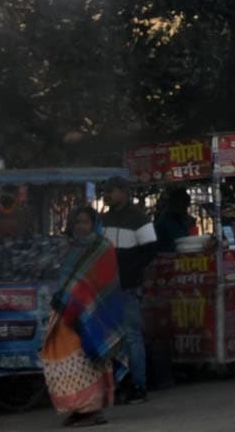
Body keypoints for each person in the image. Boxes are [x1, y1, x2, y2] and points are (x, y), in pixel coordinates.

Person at [41, 206, 128, 428]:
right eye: (77, 222)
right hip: (67, 314)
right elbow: (66, 280)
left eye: (85, 222)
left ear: (94, 223)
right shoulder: (71, 247)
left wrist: (82, 302)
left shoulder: (102, 247)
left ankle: (93, 410)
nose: (80, 226)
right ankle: (79, 409)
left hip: (93, 316)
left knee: (89, 362)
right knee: (62, 361)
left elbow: (105, 283)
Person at [98, 178, 155, 403]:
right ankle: (119, 384)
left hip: (129, 286)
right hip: (108, 287)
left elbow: (150, 250)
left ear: (122, 192)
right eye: (104, 191)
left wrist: (131, 269)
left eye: (110, 191)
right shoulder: (104, 219)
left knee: (132, 337)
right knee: (114, 339)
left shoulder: (139, 218)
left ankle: (139, 386)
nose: (106, 195)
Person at [153, 187, 195, 253]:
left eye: (186, 206)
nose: (185, 209)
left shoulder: (182, 219)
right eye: (183, 205)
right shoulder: (163, 222)